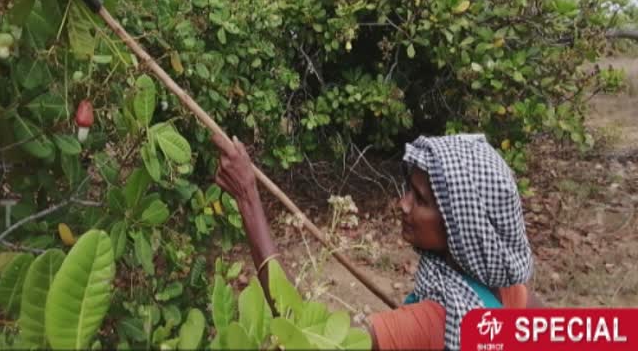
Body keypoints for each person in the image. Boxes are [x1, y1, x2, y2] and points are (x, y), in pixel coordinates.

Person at [211, 133, 545, 351]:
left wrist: (247, 199)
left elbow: (305, 337)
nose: (403, 204)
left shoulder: (436, 322)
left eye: (420, 199)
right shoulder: (505, 289)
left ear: (462, 228)